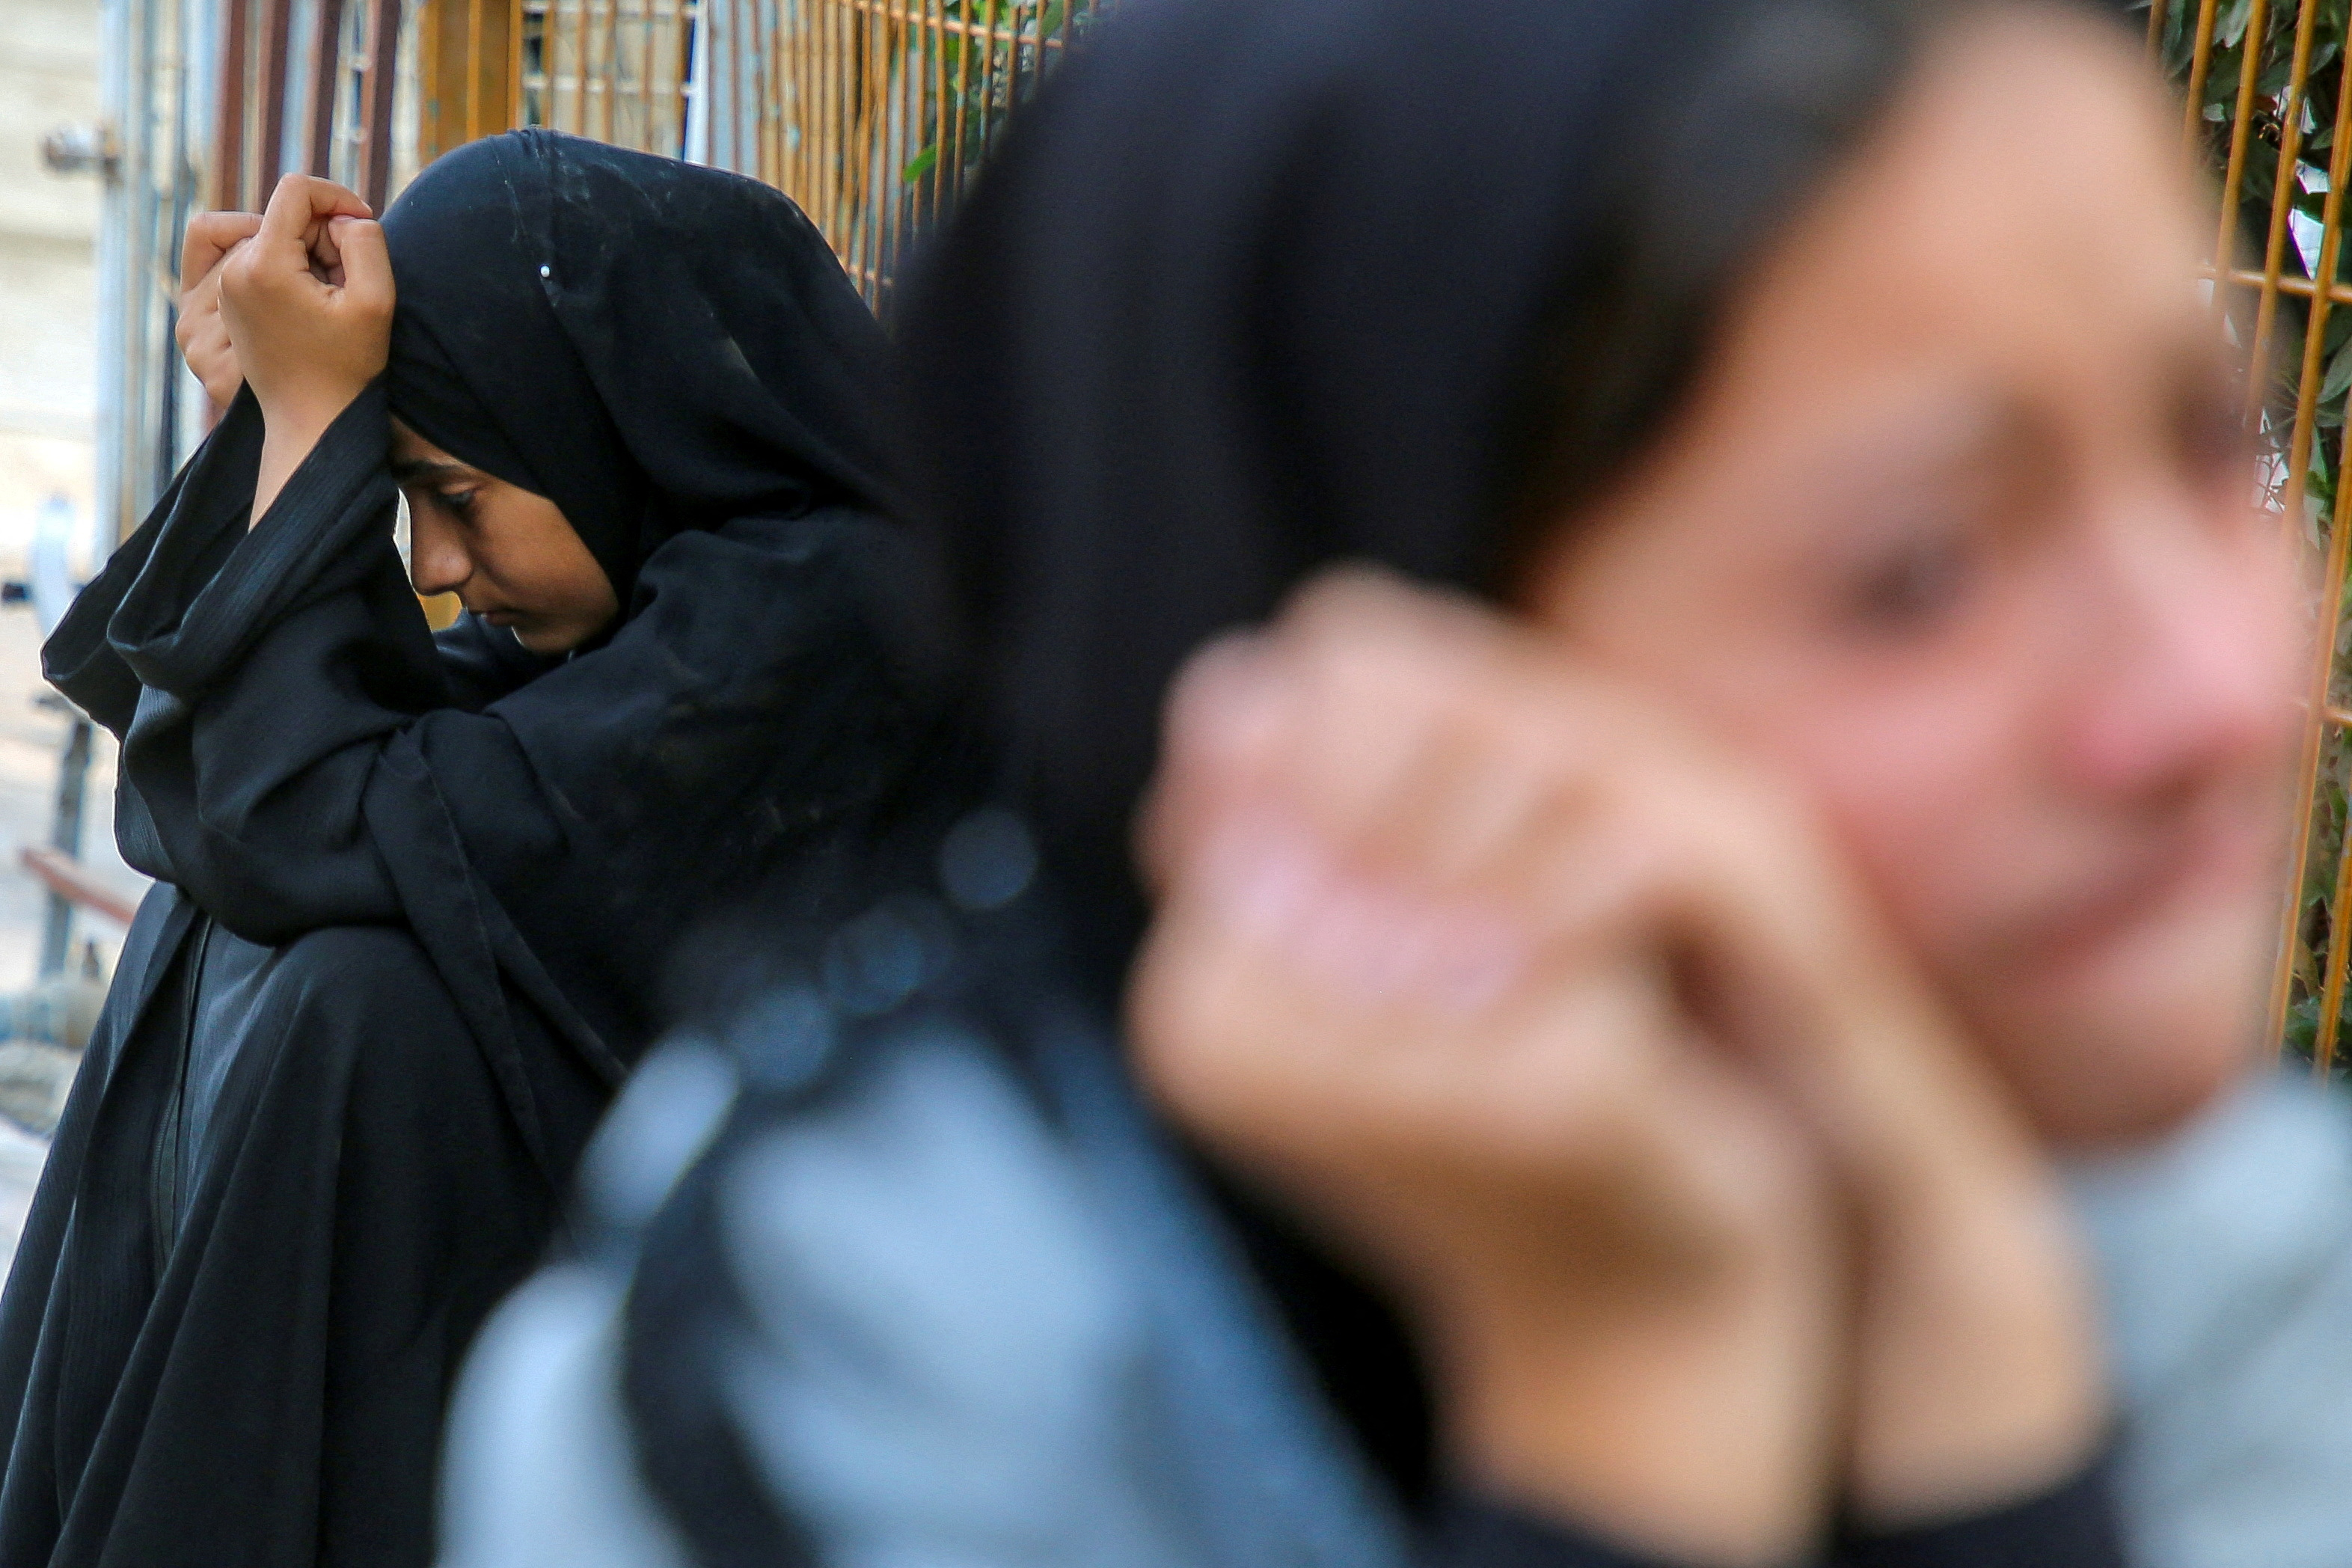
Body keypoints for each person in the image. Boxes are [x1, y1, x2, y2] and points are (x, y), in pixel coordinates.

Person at [435, 0, 2349, 1565]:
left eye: (2213, 443)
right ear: (1347, 653)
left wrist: (1975, 1364)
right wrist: (1625, 1423)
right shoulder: (842, 1347)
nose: (2211, 694)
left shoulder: (2247, 1254)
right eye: (1917, 573)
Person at [0, 132, 933, 1567]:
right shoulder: (650, 592)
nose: (433, 567)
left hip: (753, 1299)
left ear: (594, 422)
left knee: (363, 1008)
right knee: (212, 926)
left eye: (457, 495)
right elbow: (285, 810)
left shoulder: (824, 619)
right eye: (404, 501)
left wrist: (315, 439)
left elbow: (324, 825)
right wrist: (272, 427)